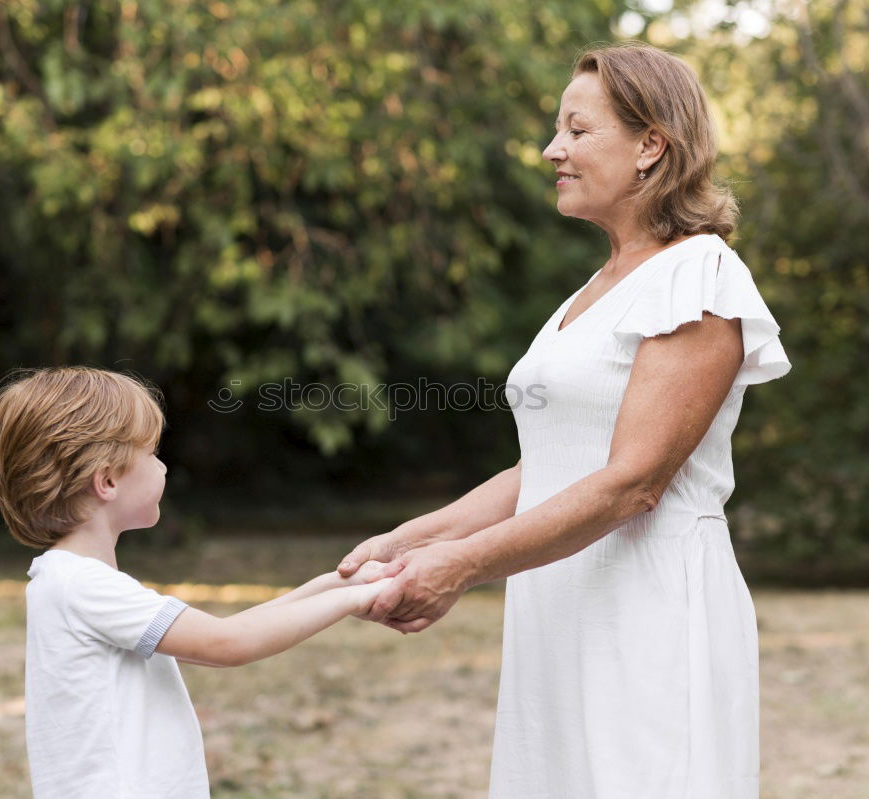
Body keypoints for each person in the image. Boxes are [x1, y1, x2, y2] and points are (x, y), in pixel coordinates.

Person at [338, 42, 792, 797]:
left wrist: (459, 566)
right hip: (559, 600)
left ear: (652, 145)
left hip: (646, 607)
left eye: (578, 131)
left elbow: (631, 483)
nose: (553, 150)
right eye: (559, 130)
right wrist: (410, 539)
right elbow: (543, 470)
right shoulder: (595, 287)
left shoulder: (699, 276)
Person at [0, 366, 389, 799]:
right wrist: (358, 599)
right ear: (108, 481)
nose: (163, 466)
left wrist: (338, 585)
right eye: (152, 454)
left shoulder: (72, 581)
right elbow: (229, 644)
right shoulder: (81, 586)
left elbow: (232, 628)